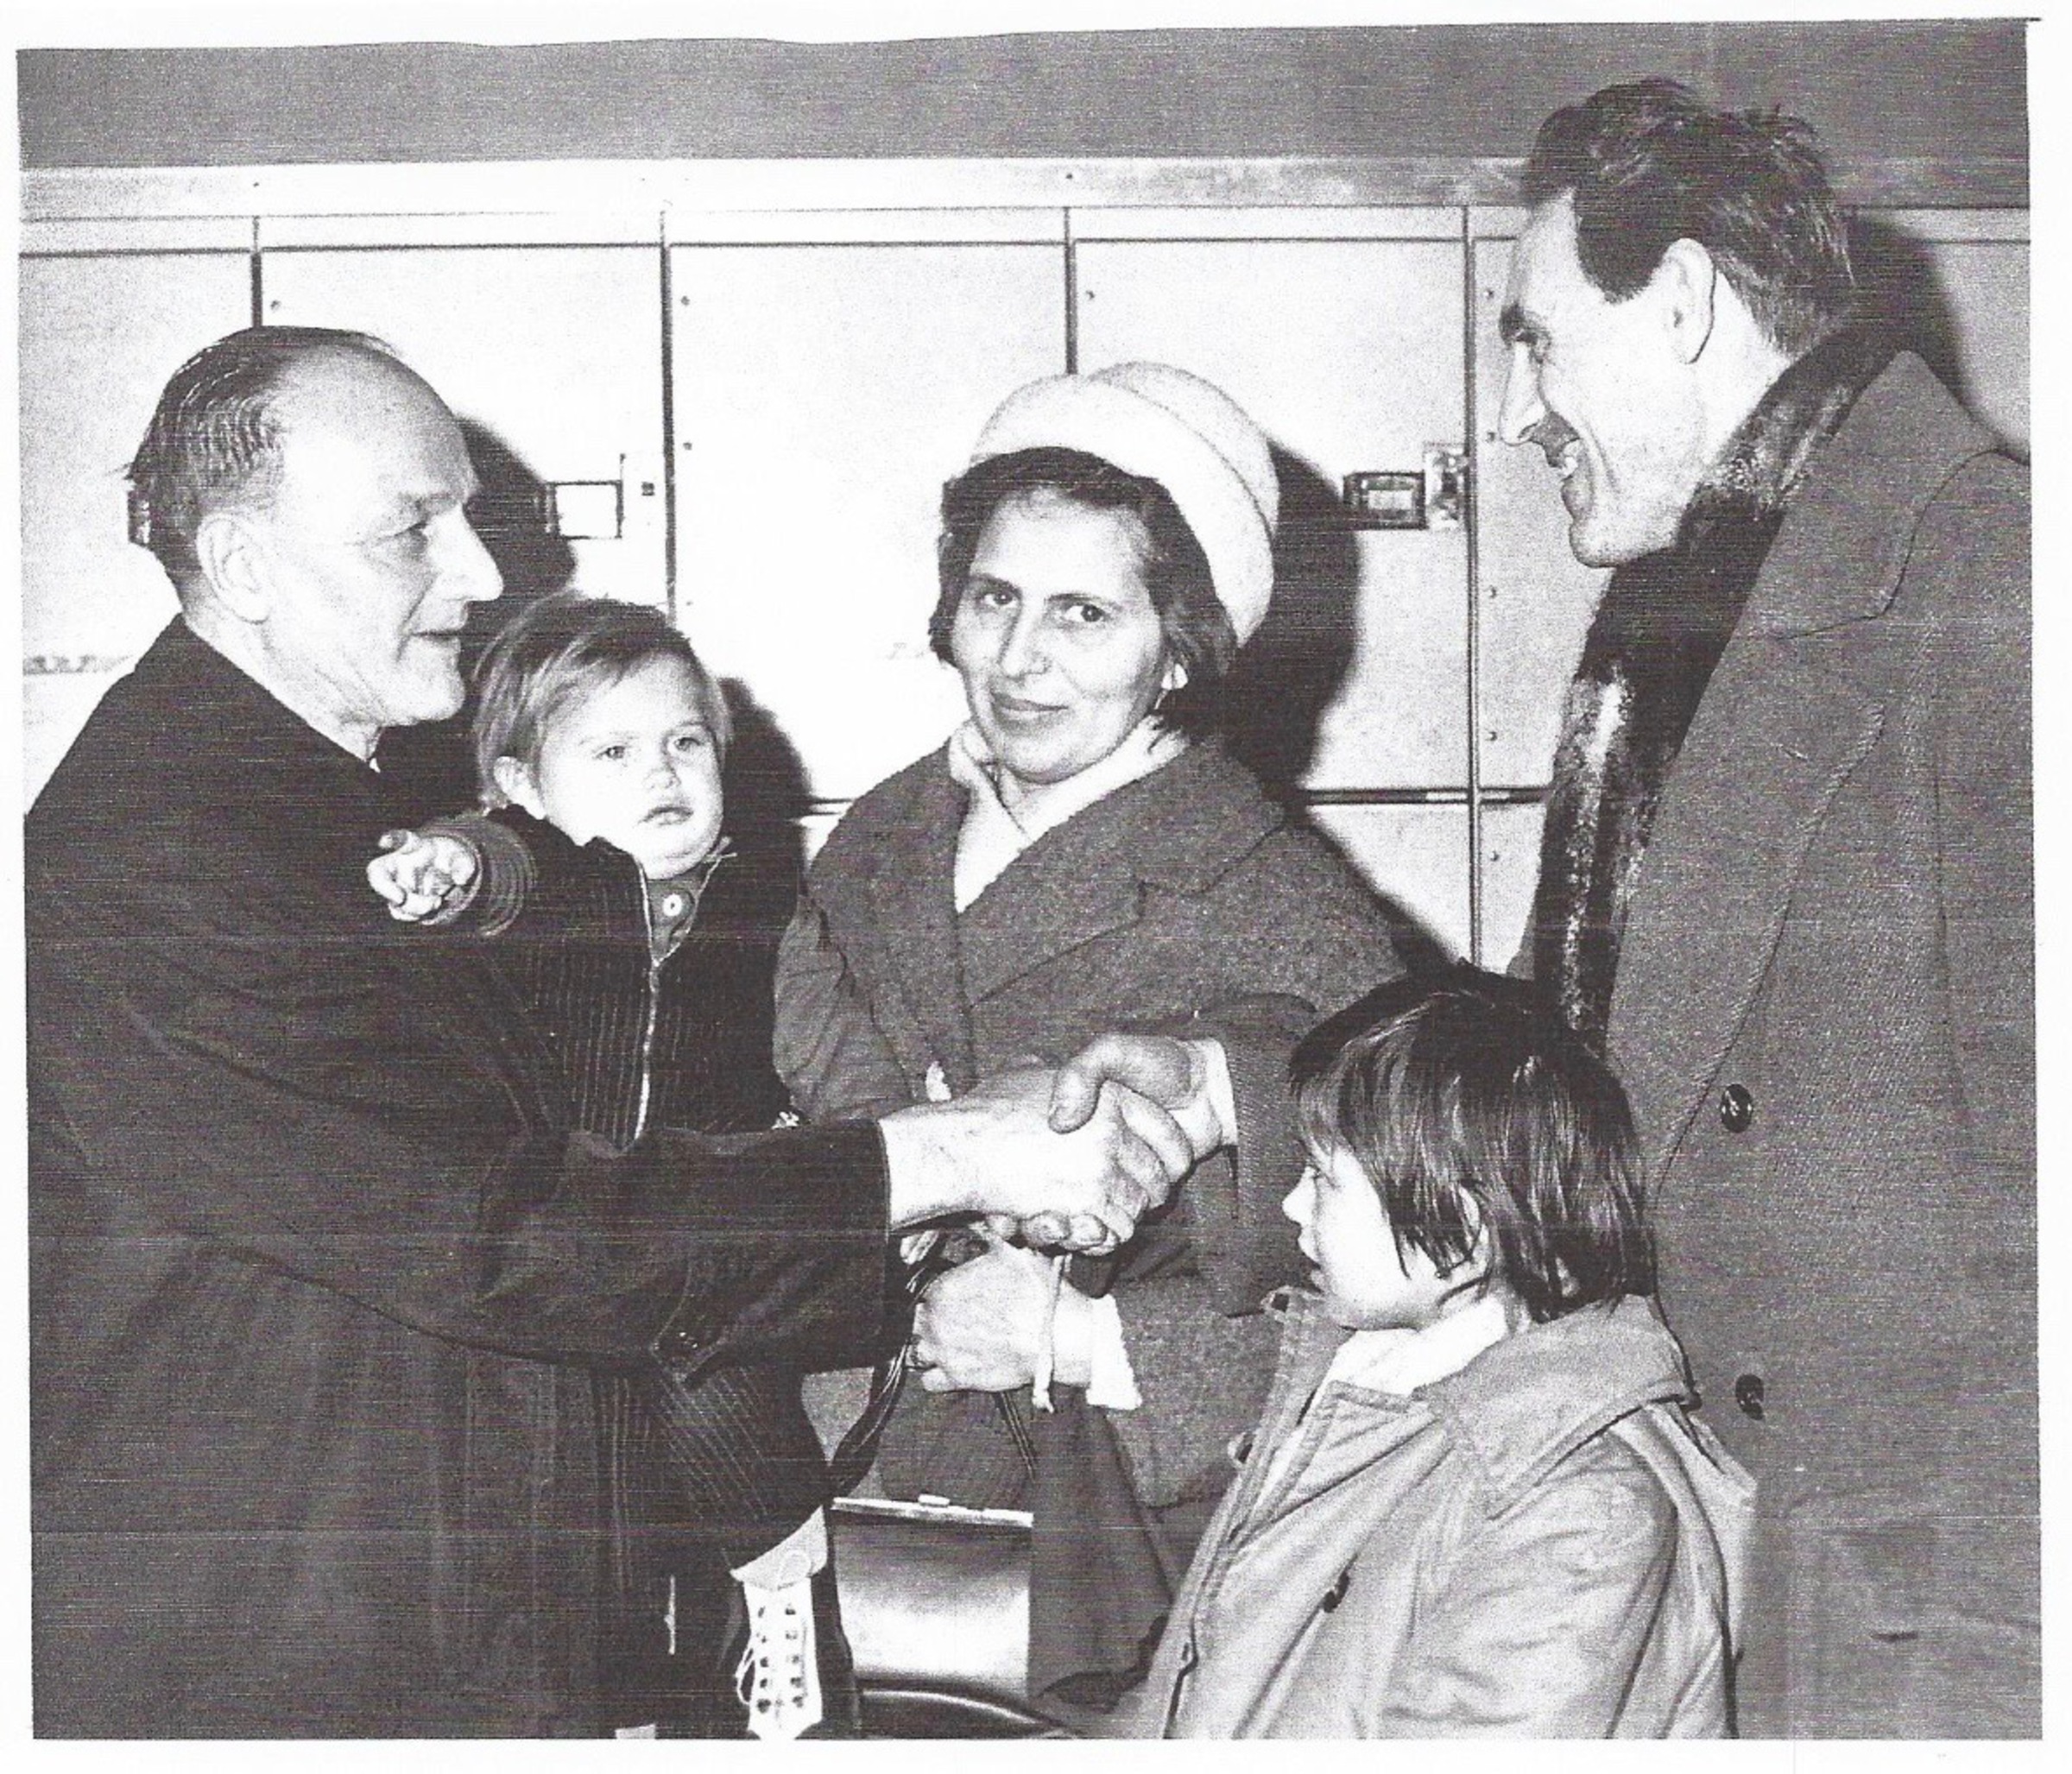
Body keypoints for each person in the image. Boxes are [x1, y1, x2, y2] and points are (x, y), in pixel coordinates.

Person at [24, 325, 1210, 1738]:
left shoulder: (322, 805)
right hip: (279, 1664)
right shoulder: (171, 850)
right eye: (414, 528)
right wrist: (945, 1156)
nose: (481, 571)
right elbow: (507, 1230)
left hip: (396, 1624)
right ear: (245, 565)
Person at [1492, 80, 2034, 1733]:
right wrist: (1221, 1101)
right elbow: (1545, 1068)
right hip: (1726, 1577)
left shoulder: (1999, 595)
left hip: (1905, 1639)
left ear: (1679, 304)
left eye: (1534, 342)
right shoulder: (1695, 620)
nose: (1514, 413)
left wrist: (1998, 1689)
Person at [774, 362, 1403, 1719]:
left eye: (1083, 613)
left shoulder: (1281, 900)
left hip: (1115, 1556)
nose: (1019, 657)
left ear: (1177, 649)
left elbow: (1414, 1291)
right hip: (832, 1501)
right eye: (993, 597)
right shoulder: (877, 839)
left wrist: (1083, 1337)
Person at [367, 590, 848, 1738]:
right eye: (613, 750)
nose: (662, 771)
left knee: (715, 1390)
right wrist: (445, 861)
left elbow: (839, 1053)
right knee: (581, 1487)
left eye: (687, 741)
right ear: (524, 784)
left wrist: (887, 1143)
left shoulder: (766, 911)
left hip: (702, 1246)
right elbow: (492, 866)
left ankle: (784, 1599)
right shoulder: (539, 876)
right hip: (561, 1247)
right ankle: (617, 1703)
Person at [1134, 968, 1753, 1738]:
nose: (1291, 1205)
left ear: (1462, 1233)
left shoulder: (1581, 1512)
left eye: (1322, 1178)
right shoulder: (1365, 1379)